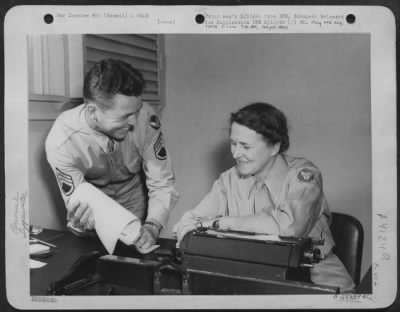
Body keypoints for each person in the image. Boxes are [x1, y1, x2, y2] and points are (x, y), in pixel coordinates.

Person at [173, 102, 355, 292]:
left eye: (245, 146)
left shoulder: (304, 175)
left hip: (314, 276)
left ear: (274, 147)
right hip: (253, 274)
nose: (236, 153)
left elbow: (289, 225)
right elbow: (190, 221)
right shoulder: (229, 179)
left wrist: (223, 222)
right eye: (233, 143)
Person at [46, 58, 179, 251]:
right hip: (93, 207)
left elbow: (162, 182)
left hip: (135, 199)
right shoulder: (61, 141)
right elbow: (79, 202)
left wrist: (152, 225)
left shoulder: (146, 119)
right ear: (93, 112)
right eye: (124, 116)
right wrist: (82, 220)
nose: (134, 121)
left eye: (136, 111)